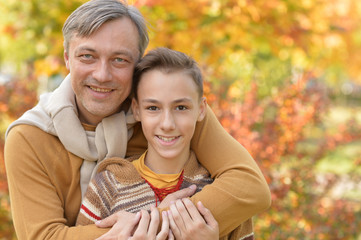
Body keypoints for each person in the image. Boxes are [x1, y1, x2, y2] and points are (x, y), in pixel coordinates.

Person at [4, 0, 271, 239]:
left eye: (119, 59)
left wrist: (159, 221)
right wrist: (156, 222)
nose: (102, 74)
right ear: (67, 58)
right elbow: (44, 236)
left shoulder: (168, 111)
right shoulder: (29, 137)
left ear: (137, 65)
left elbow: (248, 187)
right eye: (87, 56)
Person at [76, 47, 254, 240]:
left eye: (181, 107)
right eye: (153, 108)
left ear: (201, 109)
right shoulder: (107, 186)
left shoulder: (223, 192)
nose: (167, 124)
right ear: (136, 110)